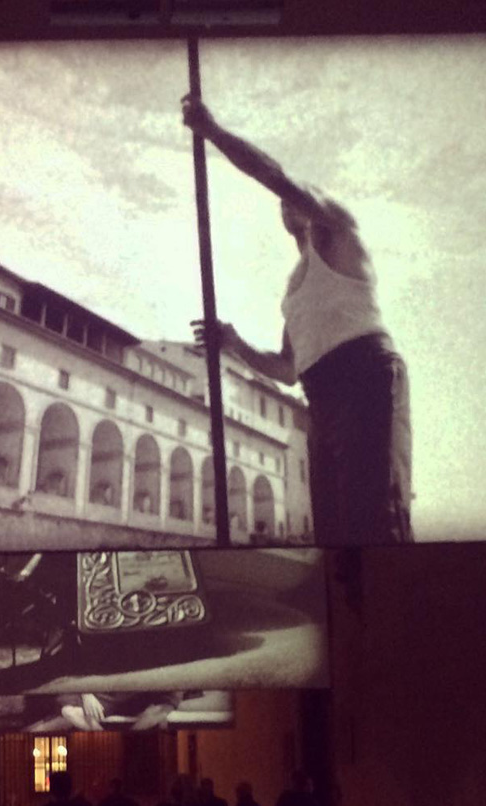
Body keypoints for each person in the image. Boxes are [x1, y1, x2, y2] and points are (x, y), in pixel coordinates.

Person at [182, 94, 414, 548]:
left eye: (293, 198)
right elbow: (288, 370)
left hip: (366, 375)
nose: (288, 206)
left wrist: (214, 133)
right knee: (333, 530)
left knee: (375, 519)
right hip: (320, 397)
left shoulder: (337, 230)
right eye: (283, 206)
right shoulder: (294, 289)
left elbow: (274, 176)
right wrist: (234, 343)